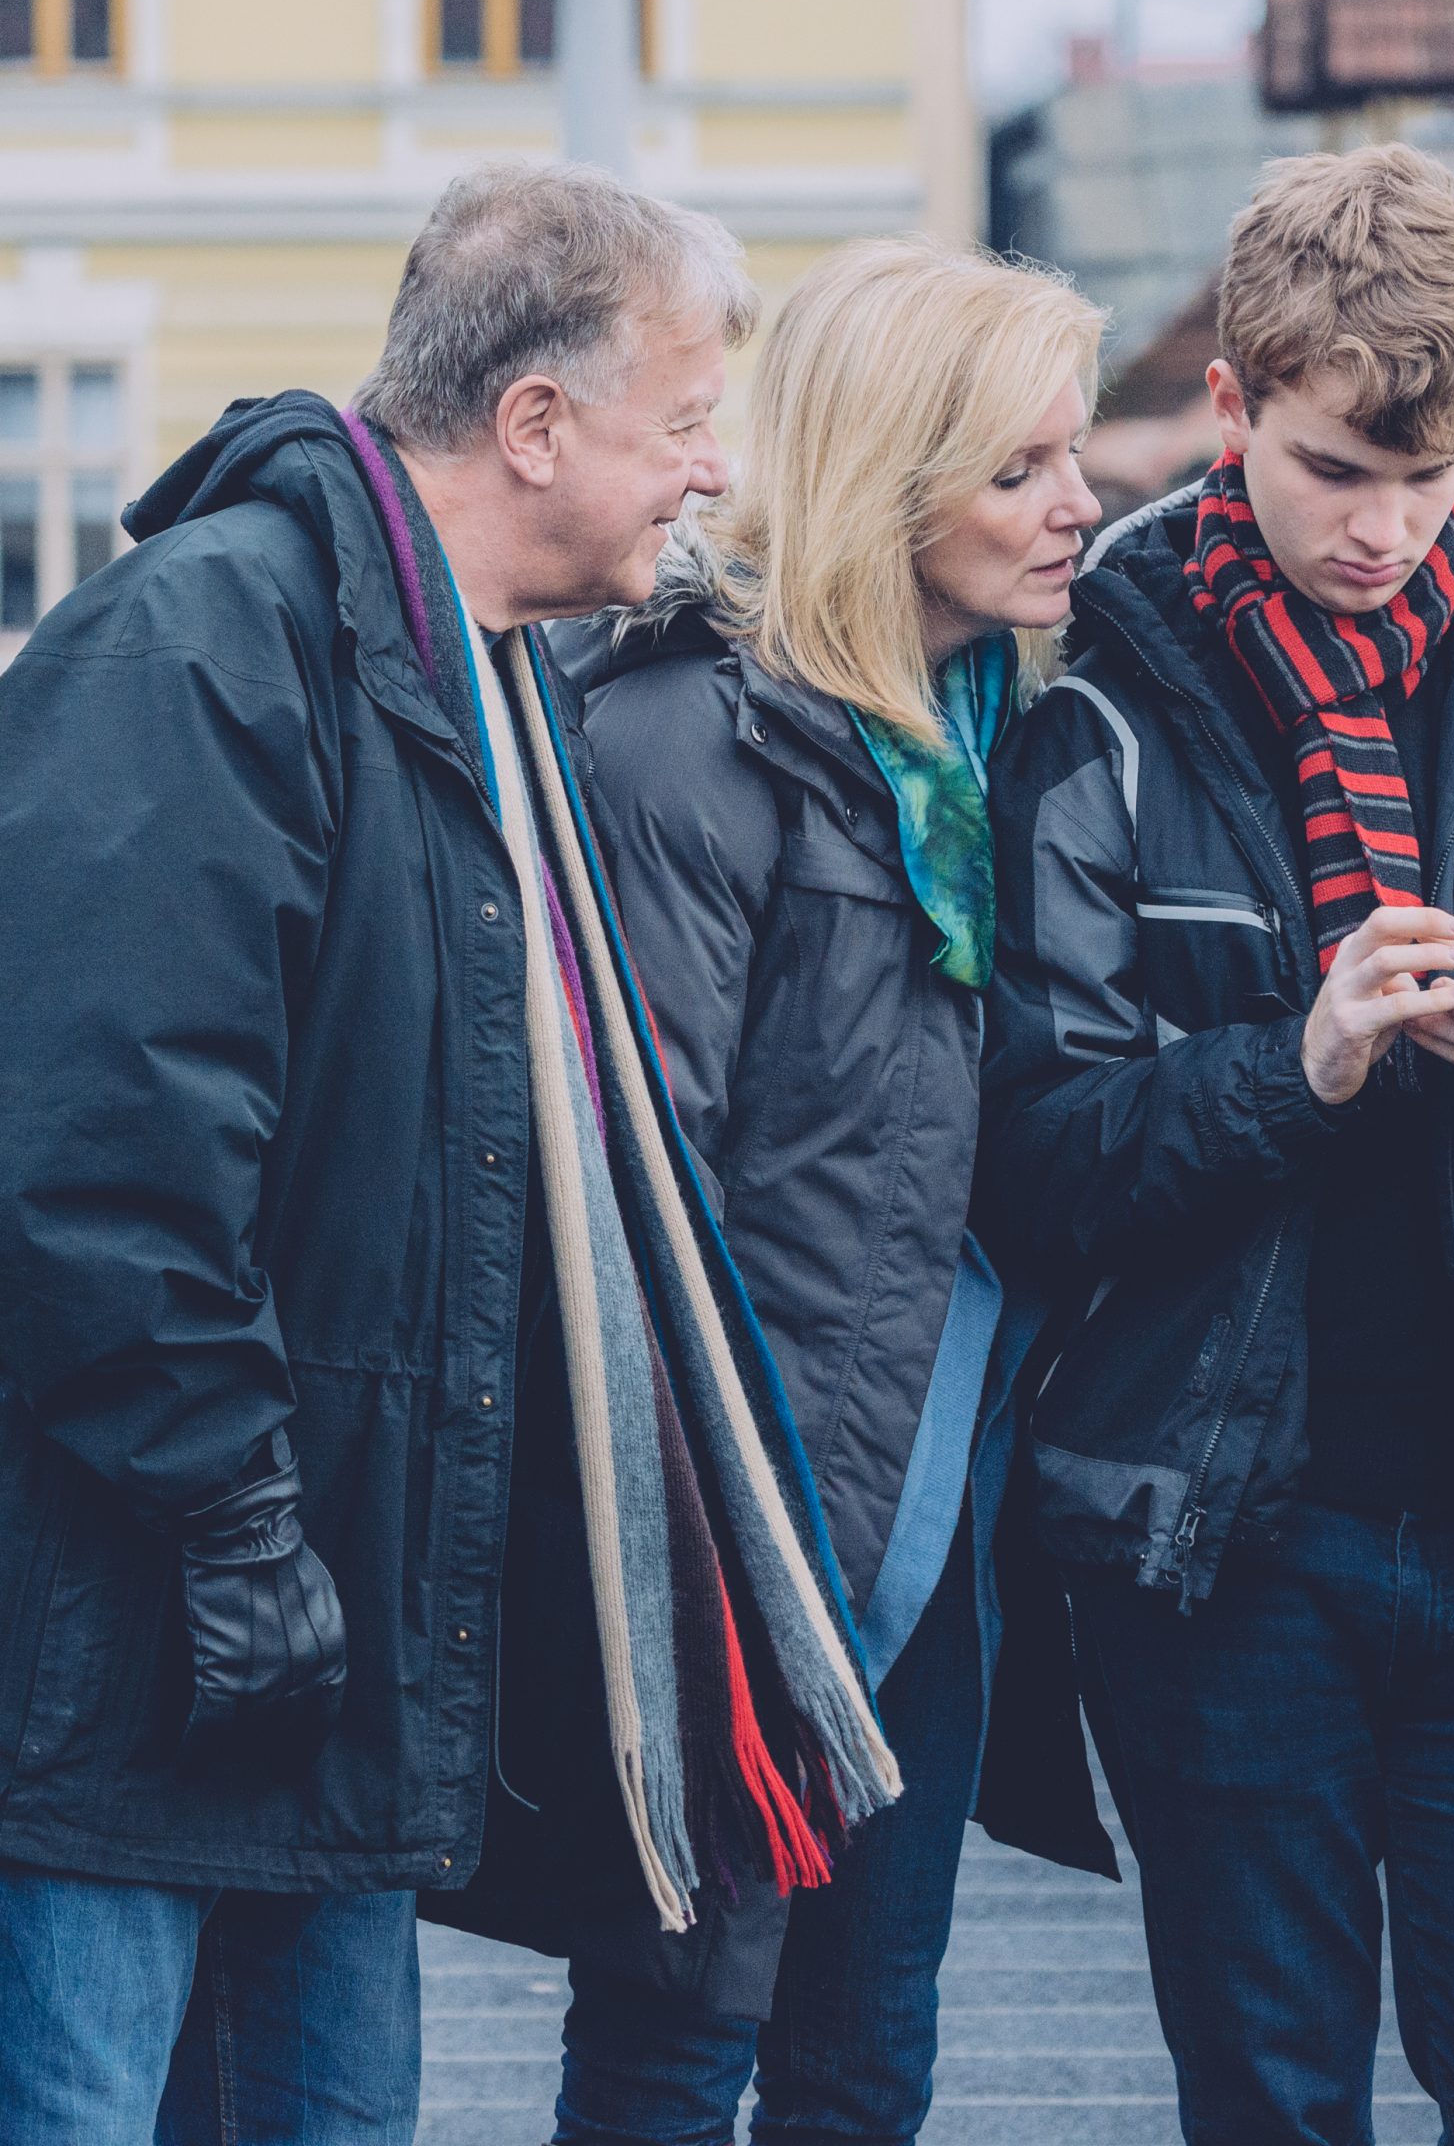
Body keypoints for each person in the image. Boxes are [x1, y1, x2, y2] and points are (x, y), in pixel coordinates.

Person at [0, 160, 898, 2146]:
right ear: (534, 423)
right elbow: (98, 1153)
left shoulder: (466, 679)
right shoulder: (208, 647)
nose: (709, 478)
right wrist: (237, 1528)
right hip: (151, 1633)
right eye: (684, 425)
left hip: (320, 1637)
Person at [981, 143, 1454, 2146]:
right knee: (1274, 2104)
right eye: (1332, 473)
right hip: (1219, 1546)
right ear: (1229, 411)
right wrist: (1289, 1068)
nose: (1386, 529)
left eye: (1429, 475)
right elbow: (1031, 1152)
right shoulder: (1093, 696)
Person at [546, 238, 1113, 2146]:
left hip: (933, 1515)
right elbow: (635, 1182)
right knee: (673, 2049)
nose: (1079, 504)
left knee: (867, 2063)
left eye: (1075, 455)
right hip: (745, 1534)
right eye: (1022, 466)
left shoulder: (999, 734)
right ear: (892, 469)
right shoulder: (684, 737)